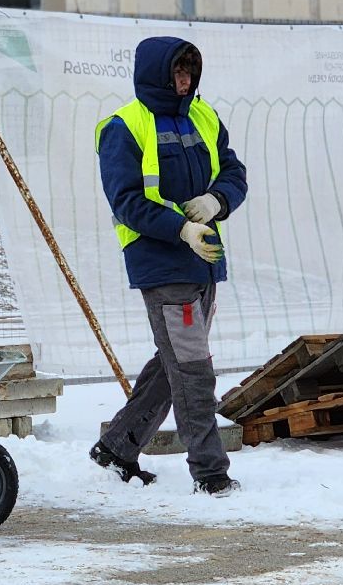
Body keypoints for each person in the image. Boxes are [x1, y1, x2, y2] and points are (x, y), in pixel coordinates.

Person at [89, 37, 248, 496]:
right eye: (177, 73)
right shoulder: (124, 127)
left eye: (190, 74)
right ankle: (211, 473)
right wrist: (180, 228)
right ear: (157, 73)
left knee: (174, 362)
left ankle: (117, 447)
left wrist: (216, 201)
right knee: (194, 369)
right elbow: (127, 201)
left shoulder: (204, 116)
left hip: (205, 261)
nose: (184, 82)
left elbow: (234, 173)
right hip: (161, 262)